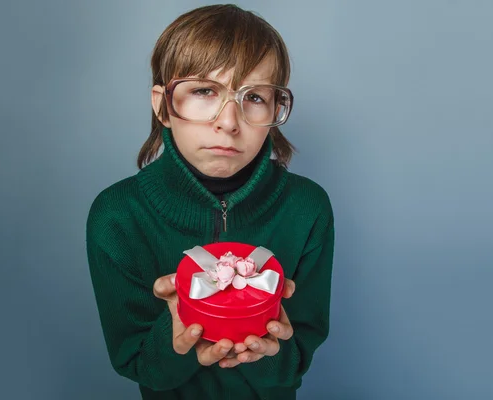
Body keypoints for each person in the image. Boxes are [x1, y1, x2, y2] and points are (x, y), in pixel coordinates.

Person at [86, 4, 335, 400]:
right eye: (204, 91)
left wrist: (271, 352)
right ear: (163, 104)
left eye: (254, 96)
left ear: (275, 108)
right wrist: (176, 333)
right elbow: (135, 363)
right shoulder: (117, 217)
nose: (229, 121)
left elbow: (297, 356)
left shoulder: (307, 208)